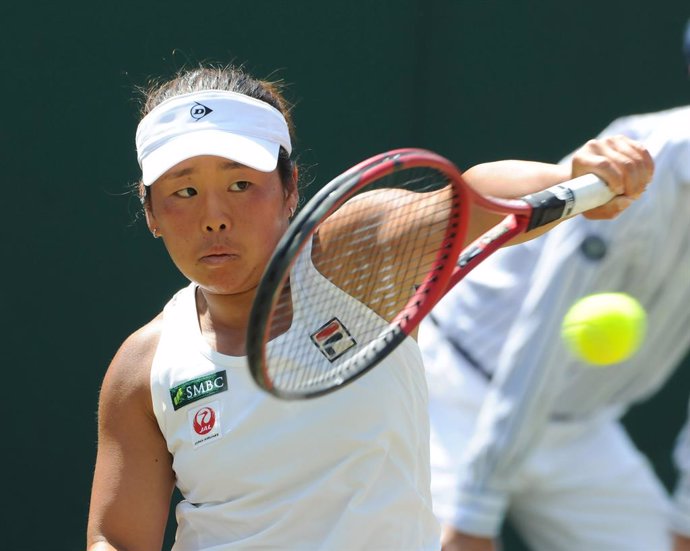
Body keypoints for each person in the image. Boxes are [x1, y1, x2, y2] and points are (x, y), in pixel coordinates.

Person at [85, 64, 652, 551]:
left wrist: (569, 179)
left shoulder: (354, 258)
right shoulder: (143, 369)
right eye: (184, 192)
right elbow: (115, 538)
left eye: (240, 184)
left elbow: (477, 199)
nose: (214, 216)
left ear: (290, 189)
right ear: (152, 212)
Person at [419, 23, 690, 551]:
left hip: (581, 429)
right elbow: (540, 333)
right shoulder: (637, 165)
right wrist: (474, 511)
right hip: (457, 395)